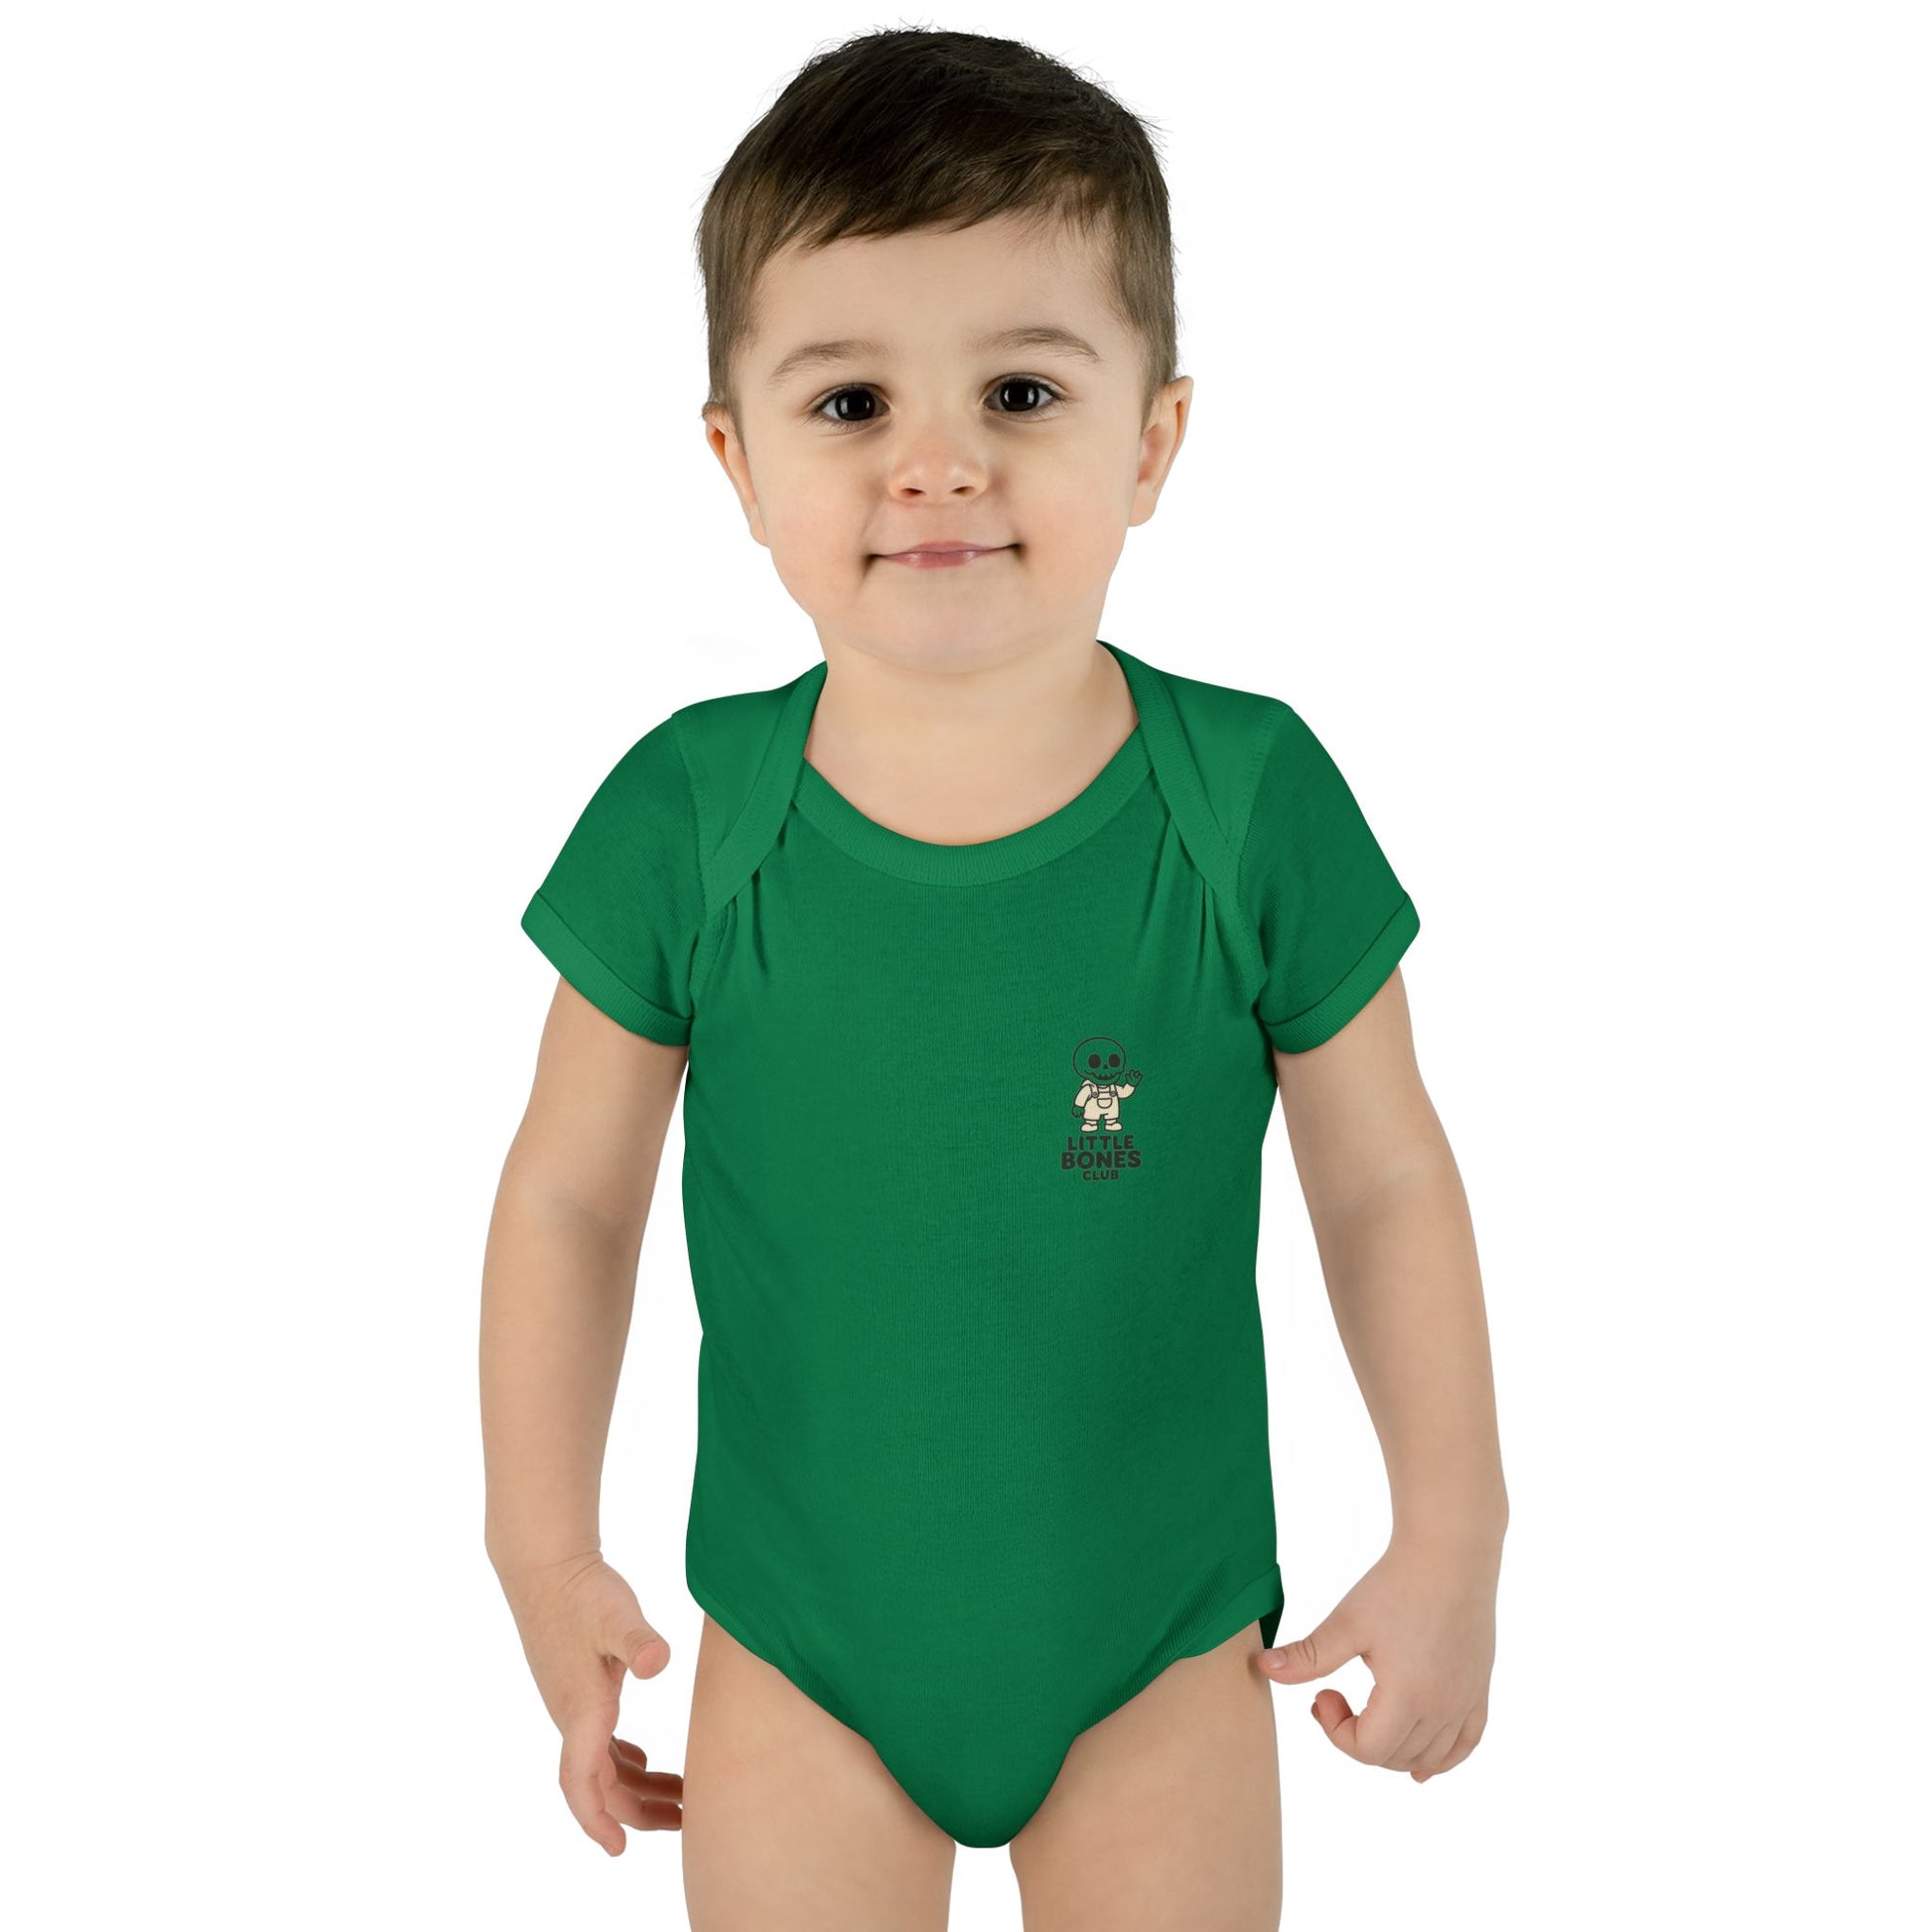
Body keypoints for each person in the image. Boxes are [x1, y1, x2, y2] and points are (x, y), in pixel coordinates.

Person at [481, 27, 1505, 1931]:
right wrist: (542, 1554)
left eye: (1019, 389)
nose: (936, 462)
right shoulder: (686, 814)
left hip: (1158, 1642)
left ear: (1152, 441)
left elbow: (1380, 1180)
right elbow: (566, 1199)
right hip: (797, 1644)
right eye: (850, 400)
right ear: (738, 461)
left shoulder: (1249, 795)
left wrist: (1454, 1528)